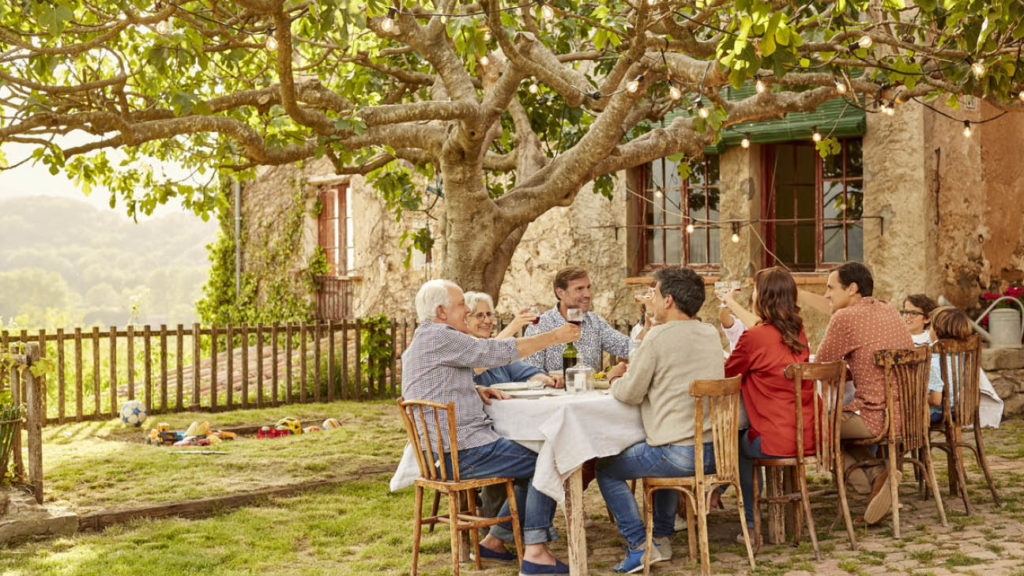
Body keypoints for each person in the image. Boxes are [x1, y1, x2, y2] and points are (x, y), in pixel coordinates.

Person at [401, 279, 580, 575]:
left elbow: (429, 382)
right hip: (462, 452)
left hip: (440, 454)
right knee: (552, 457)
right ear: (441, 311)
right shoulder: (443, 336)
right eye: (461, 305)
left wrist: (472, 388)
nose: (468, 309)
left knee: (538, 460)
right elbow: (495, 353)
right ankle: (536, 552)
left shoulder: (424, 338)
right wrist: (553, 336)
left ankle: (498, 540)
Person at [596, 267, 723, 573]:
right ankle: (662, 538)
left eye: (653, 292)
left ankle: (640, 545)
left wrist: (613, 381)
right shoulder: (710, 333)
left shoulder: (657, 336)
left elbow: (629, 393)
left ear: (668, 300)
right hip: (715, 453)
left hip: (679, 454)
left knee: (606, 468)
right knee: (658, 450)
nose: (649, 298)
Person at [815, 262, 913, 525]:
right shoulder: (889, 309)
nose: (826, 295)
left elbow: (821, 365)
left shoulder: (844, 318)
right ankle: (880, 478)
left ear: (852, 289)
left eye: (830, 288)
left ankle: (873, 481)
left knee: (816, 427)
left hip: (874, 418)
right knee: (835, 429)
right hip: (908, 416)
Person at [725, 267, 811, 539]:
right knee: (747, 439)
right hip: (807, 434)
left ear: (762, 296)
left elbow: (728, 374)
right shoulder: (799, 331)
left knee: (738, 444)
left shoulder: (754, 337)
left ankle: (751, 525)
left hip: (774, 440)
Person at [524, 266, 631, 372]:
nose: (588, 294)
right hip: (550, 389)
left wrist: (645, 327)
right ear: (560, 293)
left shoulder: (595, 322)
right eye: (579, 289)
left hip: (589, 389)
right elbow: (530, 374)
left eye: (588, 287)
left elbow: (628, 348)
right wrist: (558, 380)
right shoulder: (540, 326)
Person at [463, 291, 559, 388]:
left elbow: (527, 372)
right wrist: (513, 327)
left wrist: (548, 380)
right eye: (479, 315)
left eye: (489, 314)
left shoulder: (502, 352)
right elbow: (481, 361)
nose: (487, 320)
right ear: (464, 319)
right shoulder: (461, 348)